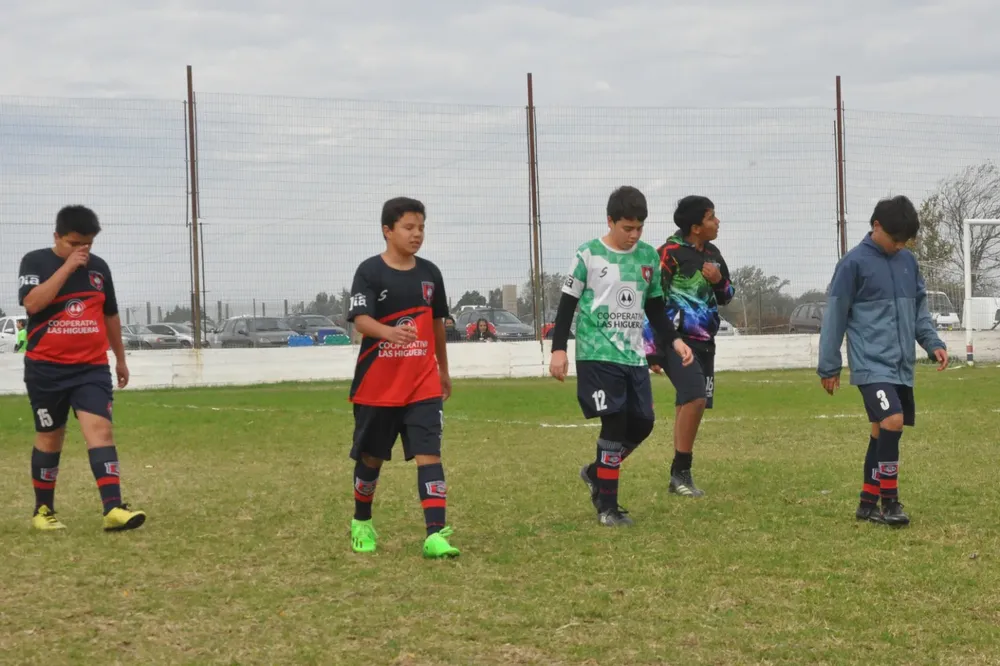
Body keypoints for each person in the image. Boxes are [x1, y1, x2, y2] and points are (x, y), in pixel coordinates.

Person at [550, 186, 694, 527]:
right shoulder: (589, 254)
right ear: (610, 221)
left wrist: (673, 340)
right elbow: (567, 306)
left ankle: (596, 472)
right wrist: (558, 349)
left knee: (642, 423)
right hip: (597, 355)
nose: (634, 235)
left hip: (633, 355)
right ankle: (608, 508)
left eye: (639, 228)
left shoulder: (647, 258)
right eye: (627, 228)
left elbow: (656, 308)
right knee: (614, 422)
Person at [817, 195, 948, 527]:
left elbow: (919, 311)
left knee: (882, 431)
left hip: (901, 366)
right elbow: (835, 316)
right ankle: (890, 503)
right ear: (876, 226)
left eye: (905, 240)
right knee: (892, 421)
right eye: (895, 239)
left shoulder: (908, 263)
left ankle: (866, 504)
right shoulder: (853, 264)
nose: (900, 245)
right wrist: (829, 364)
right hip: (870, 364)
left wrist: (933, 343)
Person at [17, 205, 146, 532]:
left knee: (100, 431)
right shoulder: (35, 261)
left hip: (90, 368)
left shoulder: (100, 269)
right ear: (57, 236)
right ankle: (43, 511)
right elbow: (32, 303)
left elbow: (111, 316)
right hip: (45, 369)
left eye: (87, 244)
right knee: (50, 436)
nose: (82, 251)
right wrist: (66, 268)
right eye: (75, 244)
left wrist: (121, 358)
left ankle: (113, 509)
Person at [346, 196, 460, 558]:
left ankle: (435, 534)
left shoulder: (430, 274)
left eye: (421, 228)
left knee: (430, 454)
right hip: (377, 387)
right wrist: (389, 332)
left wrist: (443, 369)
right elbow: (361, 320)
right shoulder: (369, 272)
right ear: (387, 230)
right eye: (409, 228)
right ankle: (362, 521)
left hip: (422, 382)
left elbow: (437, 324)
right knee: (371, 460)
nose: (417, 235)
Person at [644, 196, 734, 498]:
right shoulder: (668, 254)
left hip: (705, 342)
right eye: (711, 217)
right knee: (694, 396)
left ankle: (678, 476)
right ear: (695, 227)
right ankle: (681, 471)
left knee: (690, 402)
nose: (717, 222)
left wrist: (719, 280)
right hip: (675, 340)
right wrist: (653, 347)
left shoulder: (713, 254)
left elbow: (727, 295)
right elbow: (650, 301)